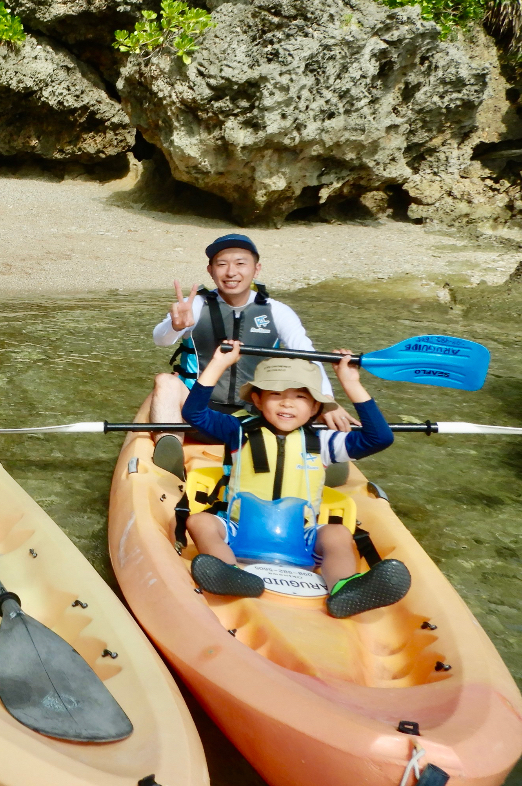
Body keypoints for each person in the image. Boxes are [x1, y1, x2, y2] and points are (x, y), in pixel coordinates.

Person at [182, 342, 411, 618]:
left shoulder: (324, 442)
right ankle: (226, 572)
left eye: (300, 397)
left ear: (316, 406)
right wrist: (218, 364)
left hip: (301, 538)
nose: (287, 403)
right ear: (257, 399)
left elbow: (380, 438)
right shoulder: (236, 430)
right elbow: (193, 413)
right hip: (237, 529)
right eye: (275, 394)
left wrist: (350, 383)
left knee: (337, 533)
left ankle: (344, 587)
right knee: (200, 521)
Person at [148, 233, 356, 477]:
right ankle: (170, 455)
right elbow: (160, 340)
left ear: (256, 269)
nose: (231, 272)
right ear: (211, 270)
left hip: (258, 413)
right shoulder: (195, 305)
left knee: (308, 399)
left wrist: (327, 402)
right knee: (165, 381)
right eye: (222, 264)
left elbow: (307, 354)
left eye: (240, 263)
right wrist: (176, 326)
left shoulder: (277, 311)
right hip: (196, 409)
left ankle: (322, 459)